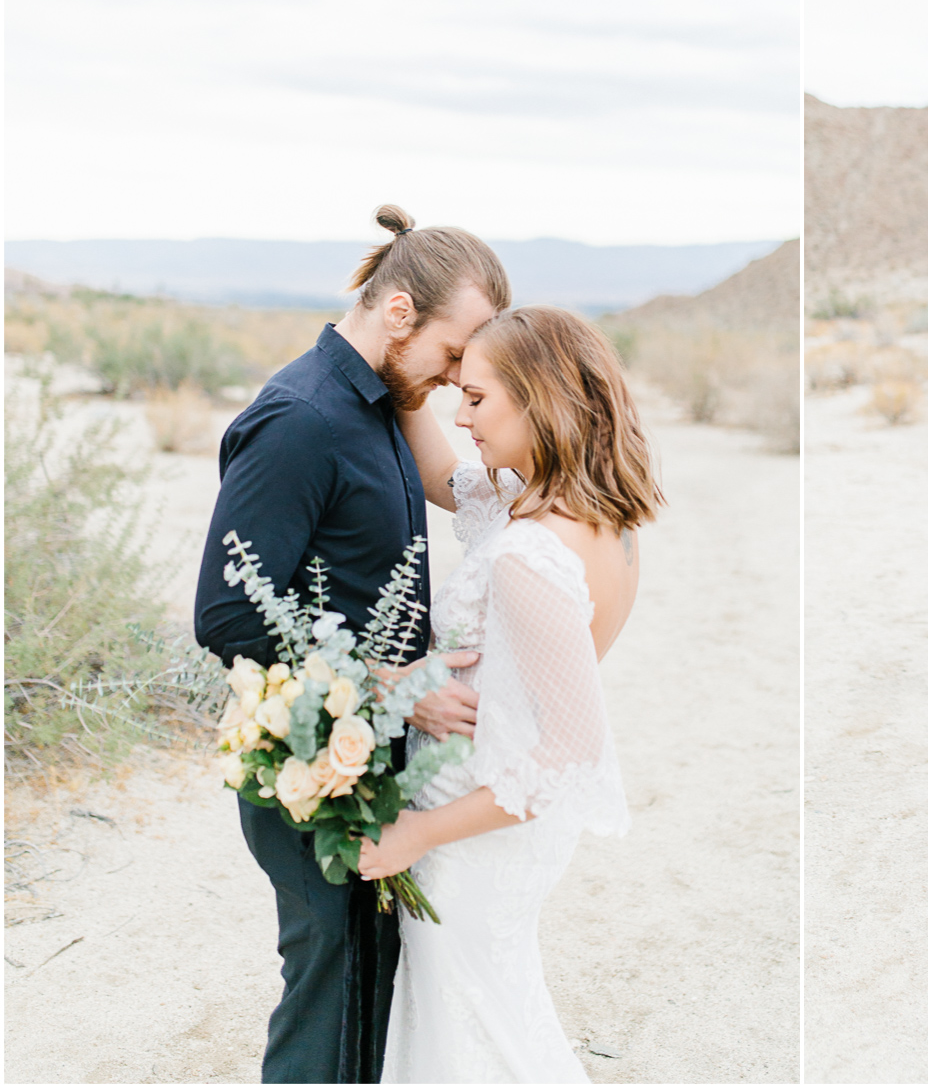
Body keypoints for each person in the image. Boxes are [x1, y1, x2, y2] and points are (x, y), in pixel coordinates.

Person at [194, 204, 510, 1082]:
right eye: (453, 355)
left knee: (375, 993)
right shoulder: (300, 419)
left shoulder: (386, 404)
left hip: (374, 764)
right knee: (328, 998)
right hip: (303, 769)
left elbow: (467, 489)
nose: (453, 381)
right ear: (399, 311)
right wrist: (393, 679)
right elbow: (225, 615)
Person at [363, 304, 665, 1083]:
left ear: (541, 397)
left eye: (476, 398)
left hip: (473, 829)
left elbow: (565, 754)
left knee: (476, 1035)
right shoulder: (592, 516)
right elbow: (440, 473)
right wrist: (404, 367)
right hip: (501, 827)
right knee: (493, 1011)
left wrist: (417, 832)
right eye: (457, 392)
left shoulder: (528, 554)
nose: (459, 415)